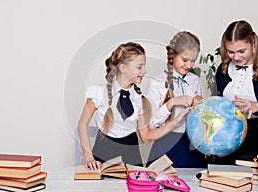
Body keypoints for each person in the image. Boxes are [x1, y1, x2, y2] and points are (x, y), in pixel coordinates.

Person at [78, 42, 191, 170]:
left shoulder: (140, 100)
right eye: (139, 67)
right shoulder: (98, 93)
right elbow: (82, 124)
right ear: (123, 68)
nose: (145, 71)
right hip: (102, 158)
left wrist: (174, 123)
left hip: (132, 160)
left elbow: (146, 137)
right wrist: (89, 158)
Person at [215, 20, 258, 163]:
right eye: (231, 52)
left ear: (253, 43)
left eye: (242, 51)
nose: (236, 57)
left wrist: (256, 106)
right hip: (228, 139)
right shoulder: (223, 69)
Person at [146, 31, 207, 168]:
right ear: (173, 55)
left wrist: (201, 104)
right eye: (185, 60)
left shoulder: (195, 80)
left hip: (191, 145)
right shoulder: (156, 82)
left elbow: (200, 120)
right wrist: (171, 103)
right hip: (165, 145)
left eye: (193, 61)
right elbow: (151, 124)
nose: (189, 66)